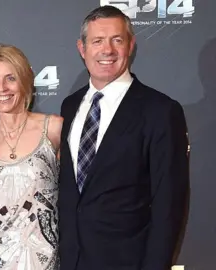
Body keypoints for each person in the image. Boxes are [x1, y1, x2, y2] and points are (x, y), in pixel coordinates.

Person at [58, 6, 189, 270]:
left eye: (117, 40)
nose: (107, 50)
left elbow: (169, 202)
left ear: (131, 45)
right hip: (72, 260)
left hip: (129, 261)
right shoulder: (69, 106)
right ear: (82, 49)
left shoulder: (160, 110)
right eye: (97, 41)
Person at [0, 44, 63, 269]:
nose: (1, 88)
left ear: (25, 79)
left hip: (44, 259)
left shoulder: (53, 129)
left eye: (10, 78)